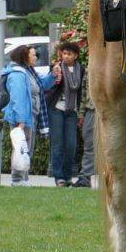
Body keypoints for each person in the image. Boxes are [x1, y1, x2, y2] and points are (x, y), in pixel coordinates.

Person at [0, 44, 48, 186]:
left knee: (25, 148)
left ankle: (23, 179)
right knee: (21, 147)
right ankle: (17, 179)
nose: (35, 57)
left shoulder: (26, 72)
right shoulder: (18, 74)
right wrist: (21, 121)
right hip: (22, 118)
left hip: (28, 116)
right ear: (25, 57)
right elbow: (18, 98)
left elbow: (38, 87)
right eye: (32, 54)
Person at [46, 42, 85, 187]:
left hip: (72, 111)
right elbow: (50, 86)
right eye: (64, 53)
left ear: (75, 55)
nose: (66, 56)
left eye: (69, 54)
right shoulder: (56, 67)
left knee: (71, 145)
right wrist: (55, 75)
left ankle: (68, 176)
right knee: (57, 144)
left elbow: (81, 91)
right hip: (56, 109)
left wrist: (81, 113)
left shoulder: (80, 69)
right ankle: (59, 178)